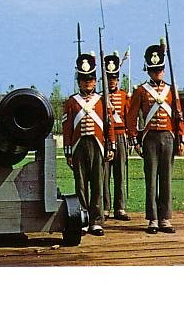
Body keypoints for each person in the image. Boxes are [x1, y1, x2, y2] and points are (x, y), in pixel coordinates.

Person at [126, 42, 184, 234]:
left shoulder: (171, 90)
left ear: (164, 70)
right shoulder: (141, 91)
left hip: (168, 136)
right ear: (148, 70)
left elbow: (178, 115)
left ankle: (165, 219)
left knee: (166, 179)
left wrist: (181, 139)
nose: (157, 73)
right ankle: (152, 219)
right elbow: (132, 116)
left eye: (159, 70)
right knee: (151, 179)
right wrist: (134, 139)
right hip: (150, 137)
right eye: (153, 70)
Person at [62, 52, 115, 236]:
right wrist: (68, 152)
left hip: (97, 145)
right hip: (78, 146)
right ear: (79, 81)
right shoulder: (71, 102)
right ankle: (83, 219)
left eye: (90, 79)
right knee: (81, 184)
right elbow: (67, 127)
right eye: (84, 79)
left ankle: (96, 221)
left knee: (98, 184)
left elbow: (109, 126)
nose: (87, 83)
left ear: (95, 81)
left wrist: (110, 145)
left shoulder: (102, 101)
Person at [102, 51, 131, 222]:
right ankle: (105, 207)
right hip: (105, 138)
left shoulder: (123, 96)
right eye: (109, 78)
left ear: (118, 79)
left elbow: (128, 117)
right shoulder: (100, 98)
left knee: (120, 173)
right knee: (104, 175)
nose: (112, 81)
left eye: (114, 78)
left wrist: (129, 138)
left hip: (120, 136)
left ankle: (120, 207)